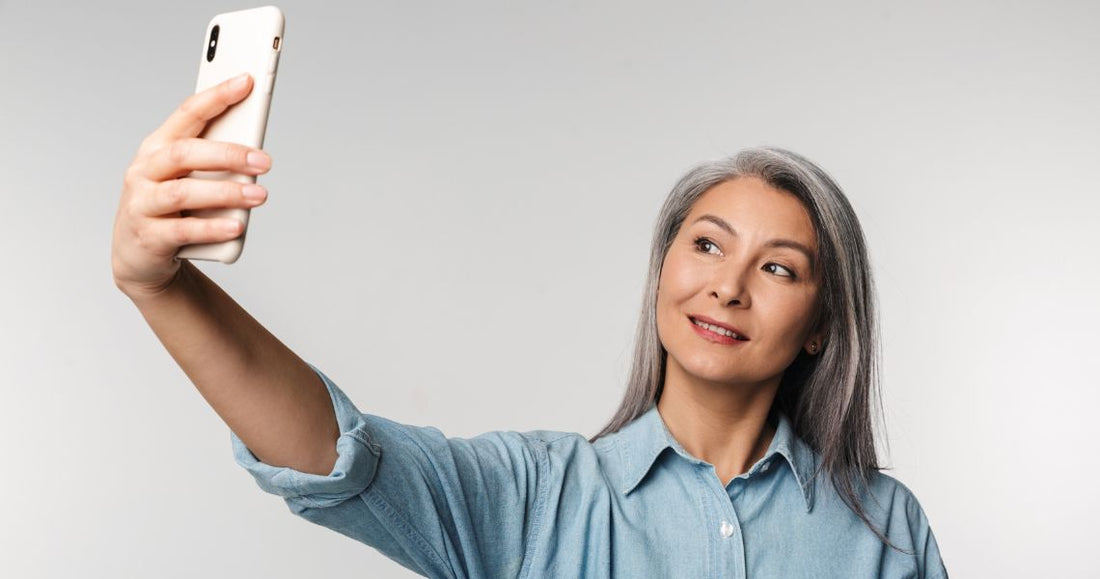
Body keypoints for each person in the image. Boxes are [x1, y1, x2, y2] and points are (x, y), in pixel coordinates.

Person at [112, 75, 948, 578]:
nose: (727, 286)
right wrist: (163, 288)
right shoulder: (534, 497)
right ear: (664, 271)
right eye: (705, 244)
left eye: (777, 267)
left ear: (819, 326)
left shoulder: (883, 528)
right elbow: (336, 455)